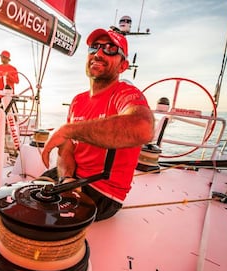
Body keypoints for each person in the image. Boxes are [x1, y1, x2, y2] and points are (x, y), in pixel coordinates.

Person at [41, 28, 154, 221]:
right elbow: (67, 146)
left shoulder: (124, 94)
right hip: (72, 176)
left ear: (123, 66)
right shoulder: (78, 100)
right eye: (94, 47)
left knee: (39, 218)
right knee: (25, 194)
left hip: (103, 191)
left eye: (110, 49)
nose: (99, 53)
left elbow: (143, 127)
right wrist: (68, 177)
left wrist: (67, 129)